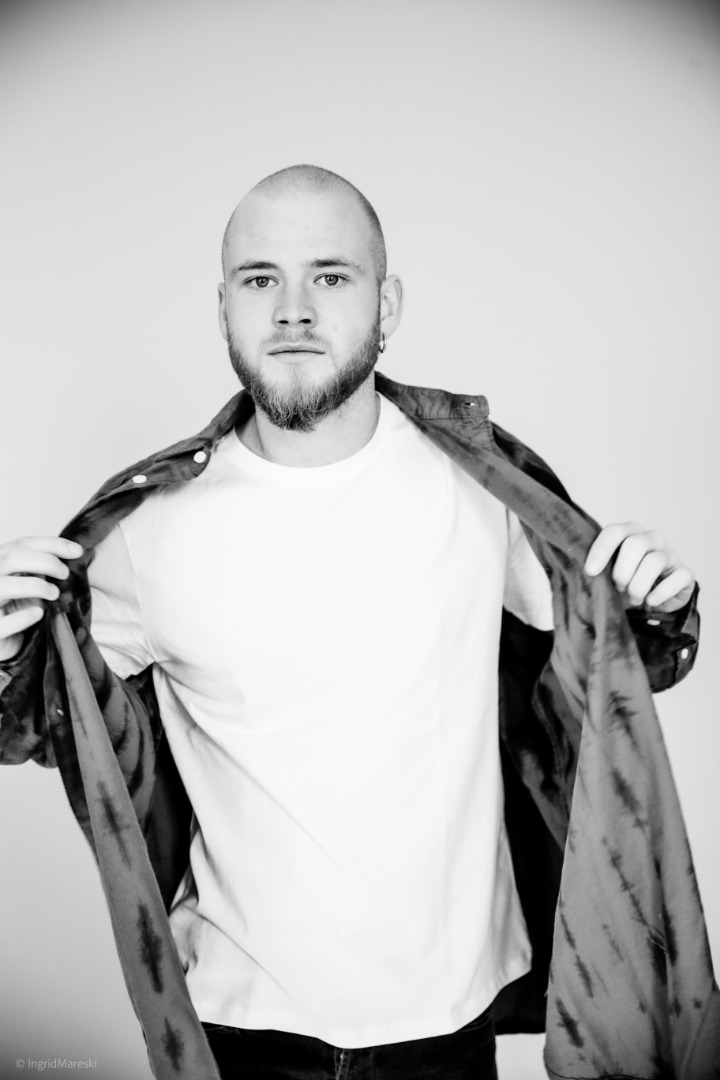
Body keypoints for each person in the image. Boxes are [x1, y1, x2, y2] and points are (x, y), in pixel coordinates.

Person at [0, 164, 717, 1080]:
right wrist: (5, 648)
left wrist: (657, 609)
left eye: (331, 276)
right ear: (223, 307)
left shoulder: (483, 486)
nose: (293, 310)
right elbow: (44, 721)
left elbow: (610, 661)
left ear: (389, 303)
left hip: (447, 1021)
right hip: (241, 1023)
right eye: (260, 279)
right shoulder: (143, 532)